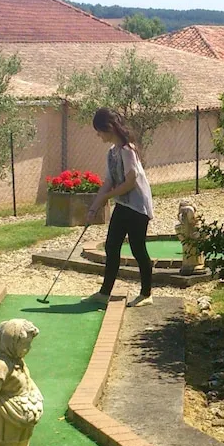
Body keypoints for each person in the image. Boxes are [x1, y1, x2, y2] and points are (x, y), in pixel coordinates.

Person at [81, 108, 154, 308]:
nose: (98, 135)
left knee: (138, 248)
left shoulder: (128, 151)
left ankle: (146, 294)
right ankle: (104, 293)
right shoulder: (112, 152)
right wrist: (93, 208)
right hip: (123, 204)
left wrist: (107, 197)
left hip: (138, 206)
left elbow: (131, 182)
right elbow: (108, 182)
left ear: (109, 128)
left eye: (99, 130)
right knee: (111, 246)